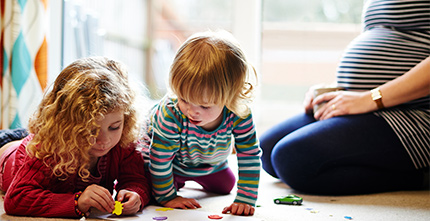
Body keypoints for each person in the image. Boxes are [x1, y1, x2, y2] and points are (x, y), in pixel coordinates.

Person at [259, 0, 430, 195]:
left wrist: (369, 99)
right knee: (266, 149)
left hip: (414, 113)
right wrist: (335, 90)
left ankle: (420, 176)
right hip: (371, 106)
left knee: (292, 159)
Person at [0, 57, 151, 218]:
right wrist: (77, 202)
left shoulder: (122, 141)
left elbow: (136, 179)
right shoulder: (46, 148)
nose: (104, 140)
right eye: (91, 130)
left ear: (126, 119)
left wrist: (135, 194)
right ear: (67, 124)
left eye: (114, 127)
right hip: (7, 153)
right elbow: (17, 199)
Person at [140, 30, 261, 216]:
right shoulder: (170, 112)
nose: (191, 111)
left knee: (226, 186)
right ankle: (171, 186)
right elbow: (160, 158)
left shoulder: (239, 112)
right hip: (168, 165)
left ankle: (193, 178)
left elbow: (249, 153)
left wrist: (246, 199)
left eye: (205, 106)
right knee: (151, 188)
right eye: (184, 99)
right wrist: (167, 197)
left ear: (231, 96)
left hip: (209, 163)